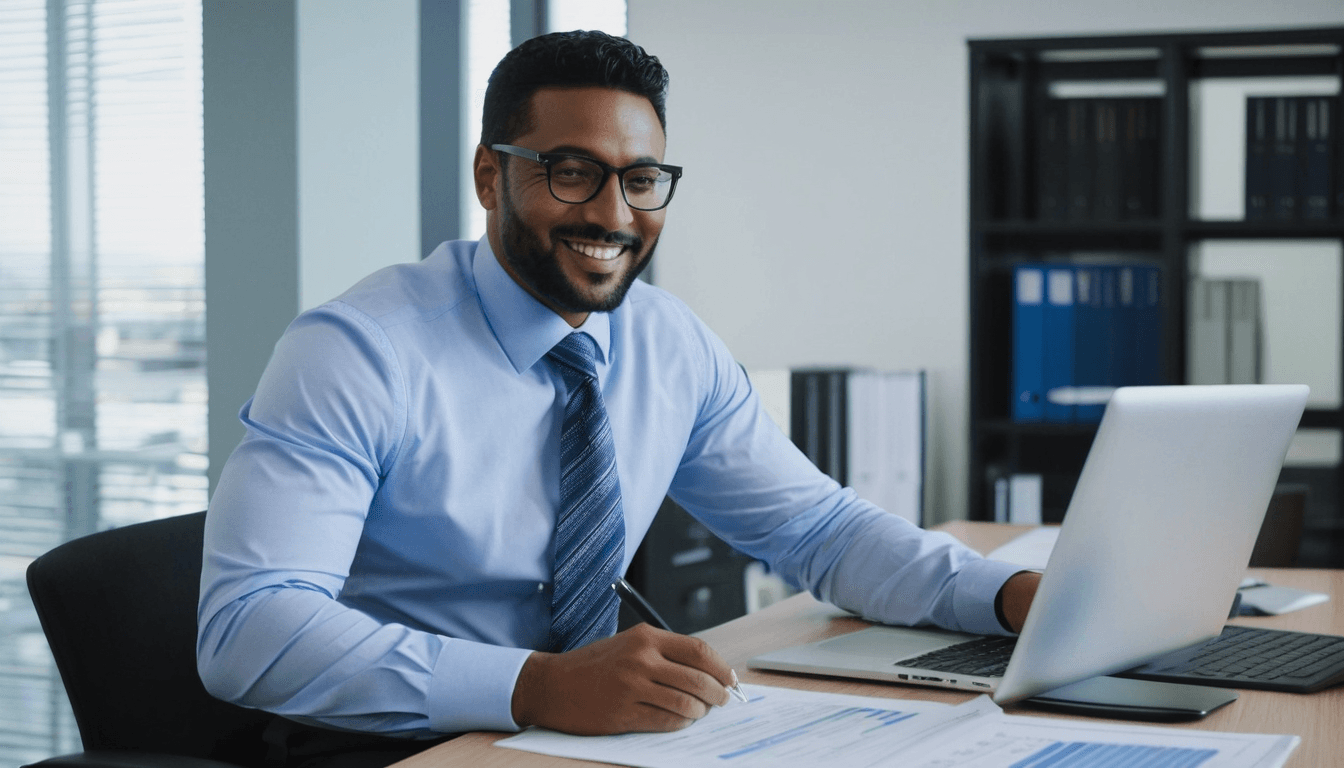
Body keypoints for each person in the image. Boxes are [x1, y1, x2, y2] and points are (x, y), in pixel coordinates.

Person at [197, 29, 1040, 767]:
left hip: (591, 734)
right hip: (394, 744)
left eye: (641, 179)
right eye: (572, 173)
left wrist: (1003, 596)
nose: (613, 213)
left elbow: (816, 529)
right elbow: (249, 631)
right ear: (491, 177)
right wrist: (537, 685)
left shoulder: (666, 341)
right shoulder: (357, 352)